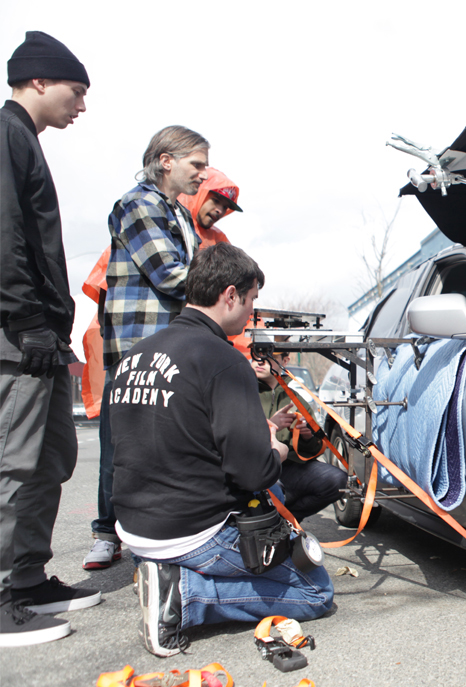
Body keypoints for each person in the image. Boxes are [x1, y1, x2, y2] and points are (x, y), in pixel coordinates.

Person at [109, 243, 335, 658]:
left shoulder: (133, 357)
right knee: (316, 591)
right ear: (230, 295)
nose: (251, 313)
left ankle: (166, 574)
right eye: (250, 300)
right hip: (192, 529)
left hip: (134, 523)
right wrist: (278, 452)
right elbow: (253, 474)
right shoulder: (223, 360)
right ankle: (186, 596)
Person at [81, 167, 245, 570]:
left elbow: (231, 308)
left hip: (188, 361)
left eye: (227, 206)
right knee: (119, 445)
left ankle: (171, 536)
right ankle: (107, 531)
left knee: (181, 447)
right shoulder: (154, 220)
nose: (220, 210)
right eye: (216, 200)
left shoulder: (216, 243)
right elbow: (111, 289)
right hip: (138, 350)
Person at [1, 30, 101, 647]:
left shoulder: (26, 141)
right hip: (18, 333)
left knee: (50, 459)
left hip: (43, 336)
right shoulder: (5, 134)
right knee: (13, 463)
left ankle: (28, 579)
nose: (81, 106)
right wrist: (27, 320)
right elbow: (4, 237)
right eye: (76, 91)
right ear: (38, 80)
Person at [254, 351, 350, 522]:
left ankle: (286, 521)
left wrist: (308, 437)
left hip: (288, 468)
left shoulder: (296, 399)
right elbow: (230, 436)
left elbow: (316, 450)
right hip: (253, 469)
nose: (260, 361)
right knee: (269, 493)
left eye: (269, 357)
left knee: (336, 480)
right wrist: (270, 424)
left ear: (285, 360)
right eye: (256, 354)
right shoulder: (241, 392)